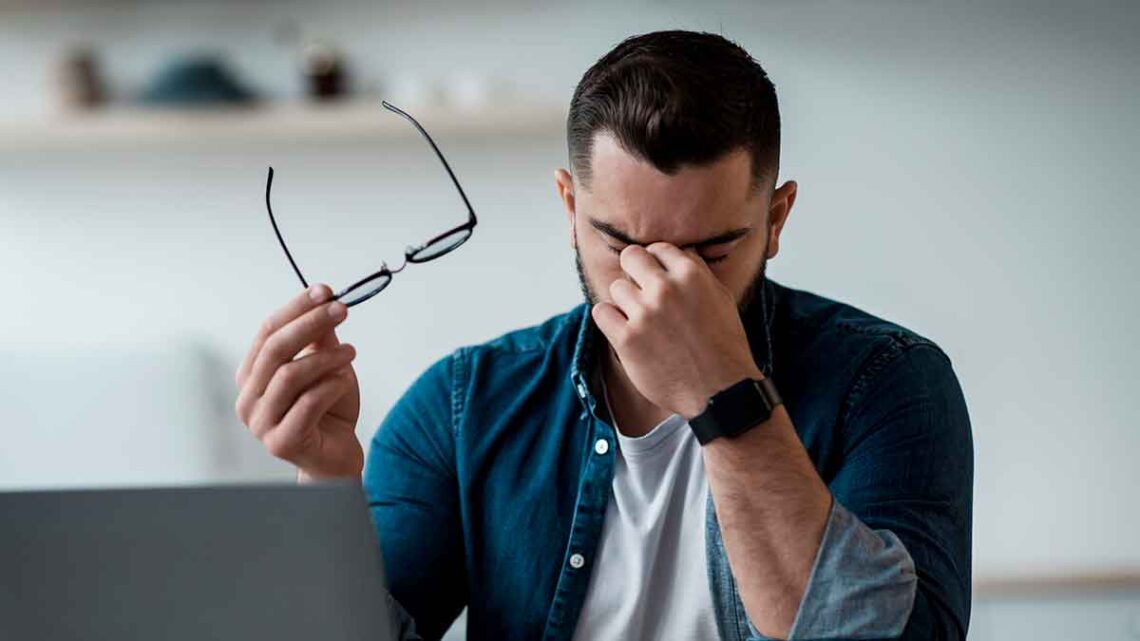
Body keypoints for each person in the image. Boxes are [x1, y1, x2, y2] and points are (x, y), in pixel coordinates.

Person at [234, 30, 973, 641]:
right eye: (620, 242)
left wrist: (726, 398)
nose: (661, 283)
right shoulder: (464, 406)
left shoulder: (888, 383)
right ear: (569, 205)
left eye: (709, 253)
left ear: (775, 220)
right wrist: (324, 486)